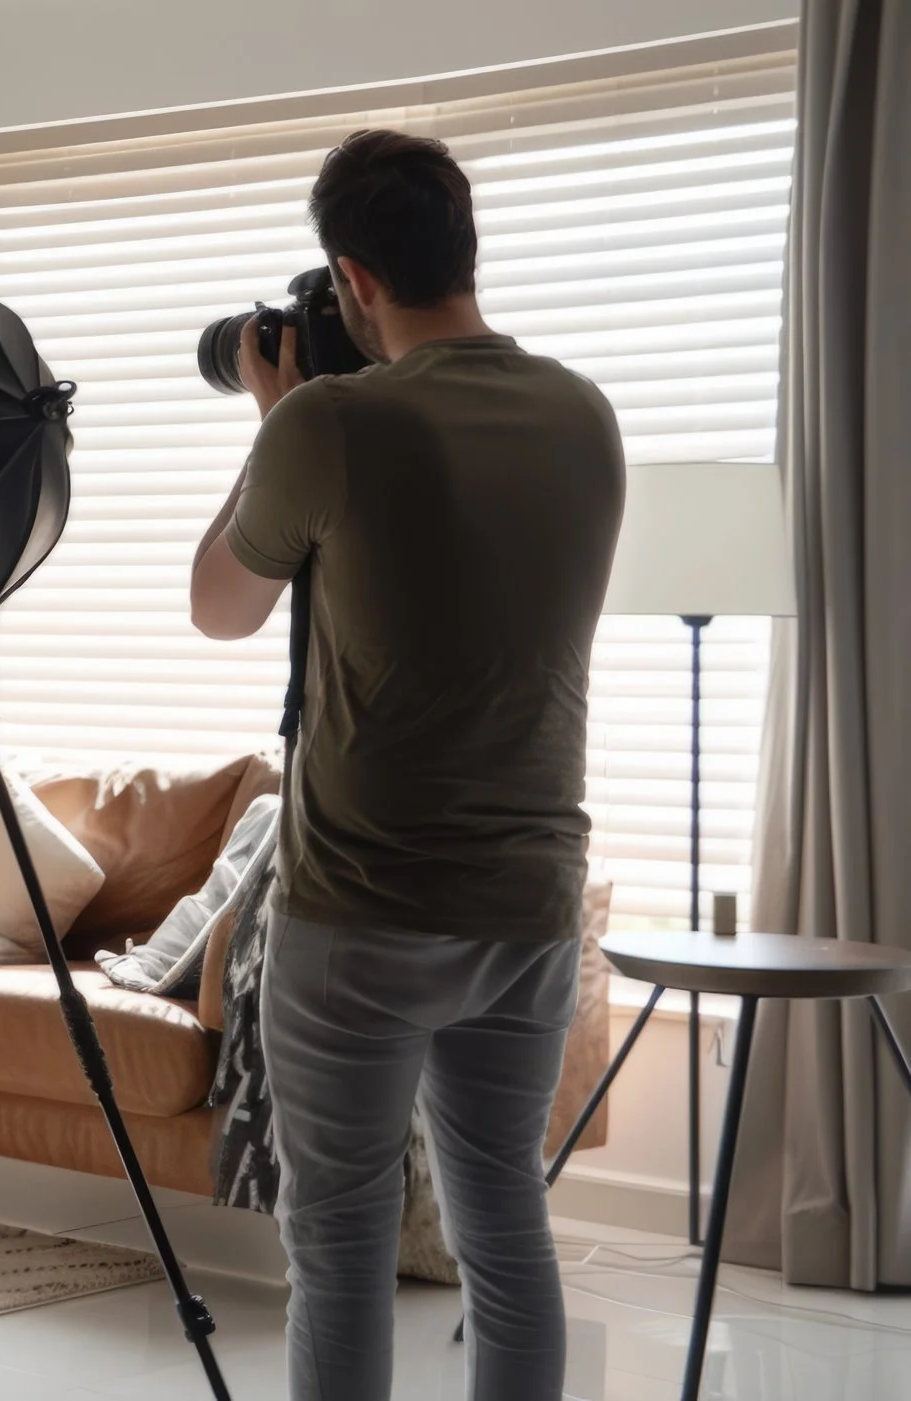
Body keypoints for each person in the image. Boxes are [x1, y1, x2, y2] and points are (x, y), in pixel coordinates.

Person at [187, 129, 625, 1401]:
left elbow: (220, 608)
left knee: (336, 1248)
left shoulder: (327, 424)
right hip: (527, 905)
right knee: (503, 1226)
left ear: (351, 277)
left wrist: (274, 424)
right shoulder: (581, 413)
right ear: (462, 248)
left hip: (361, 917)